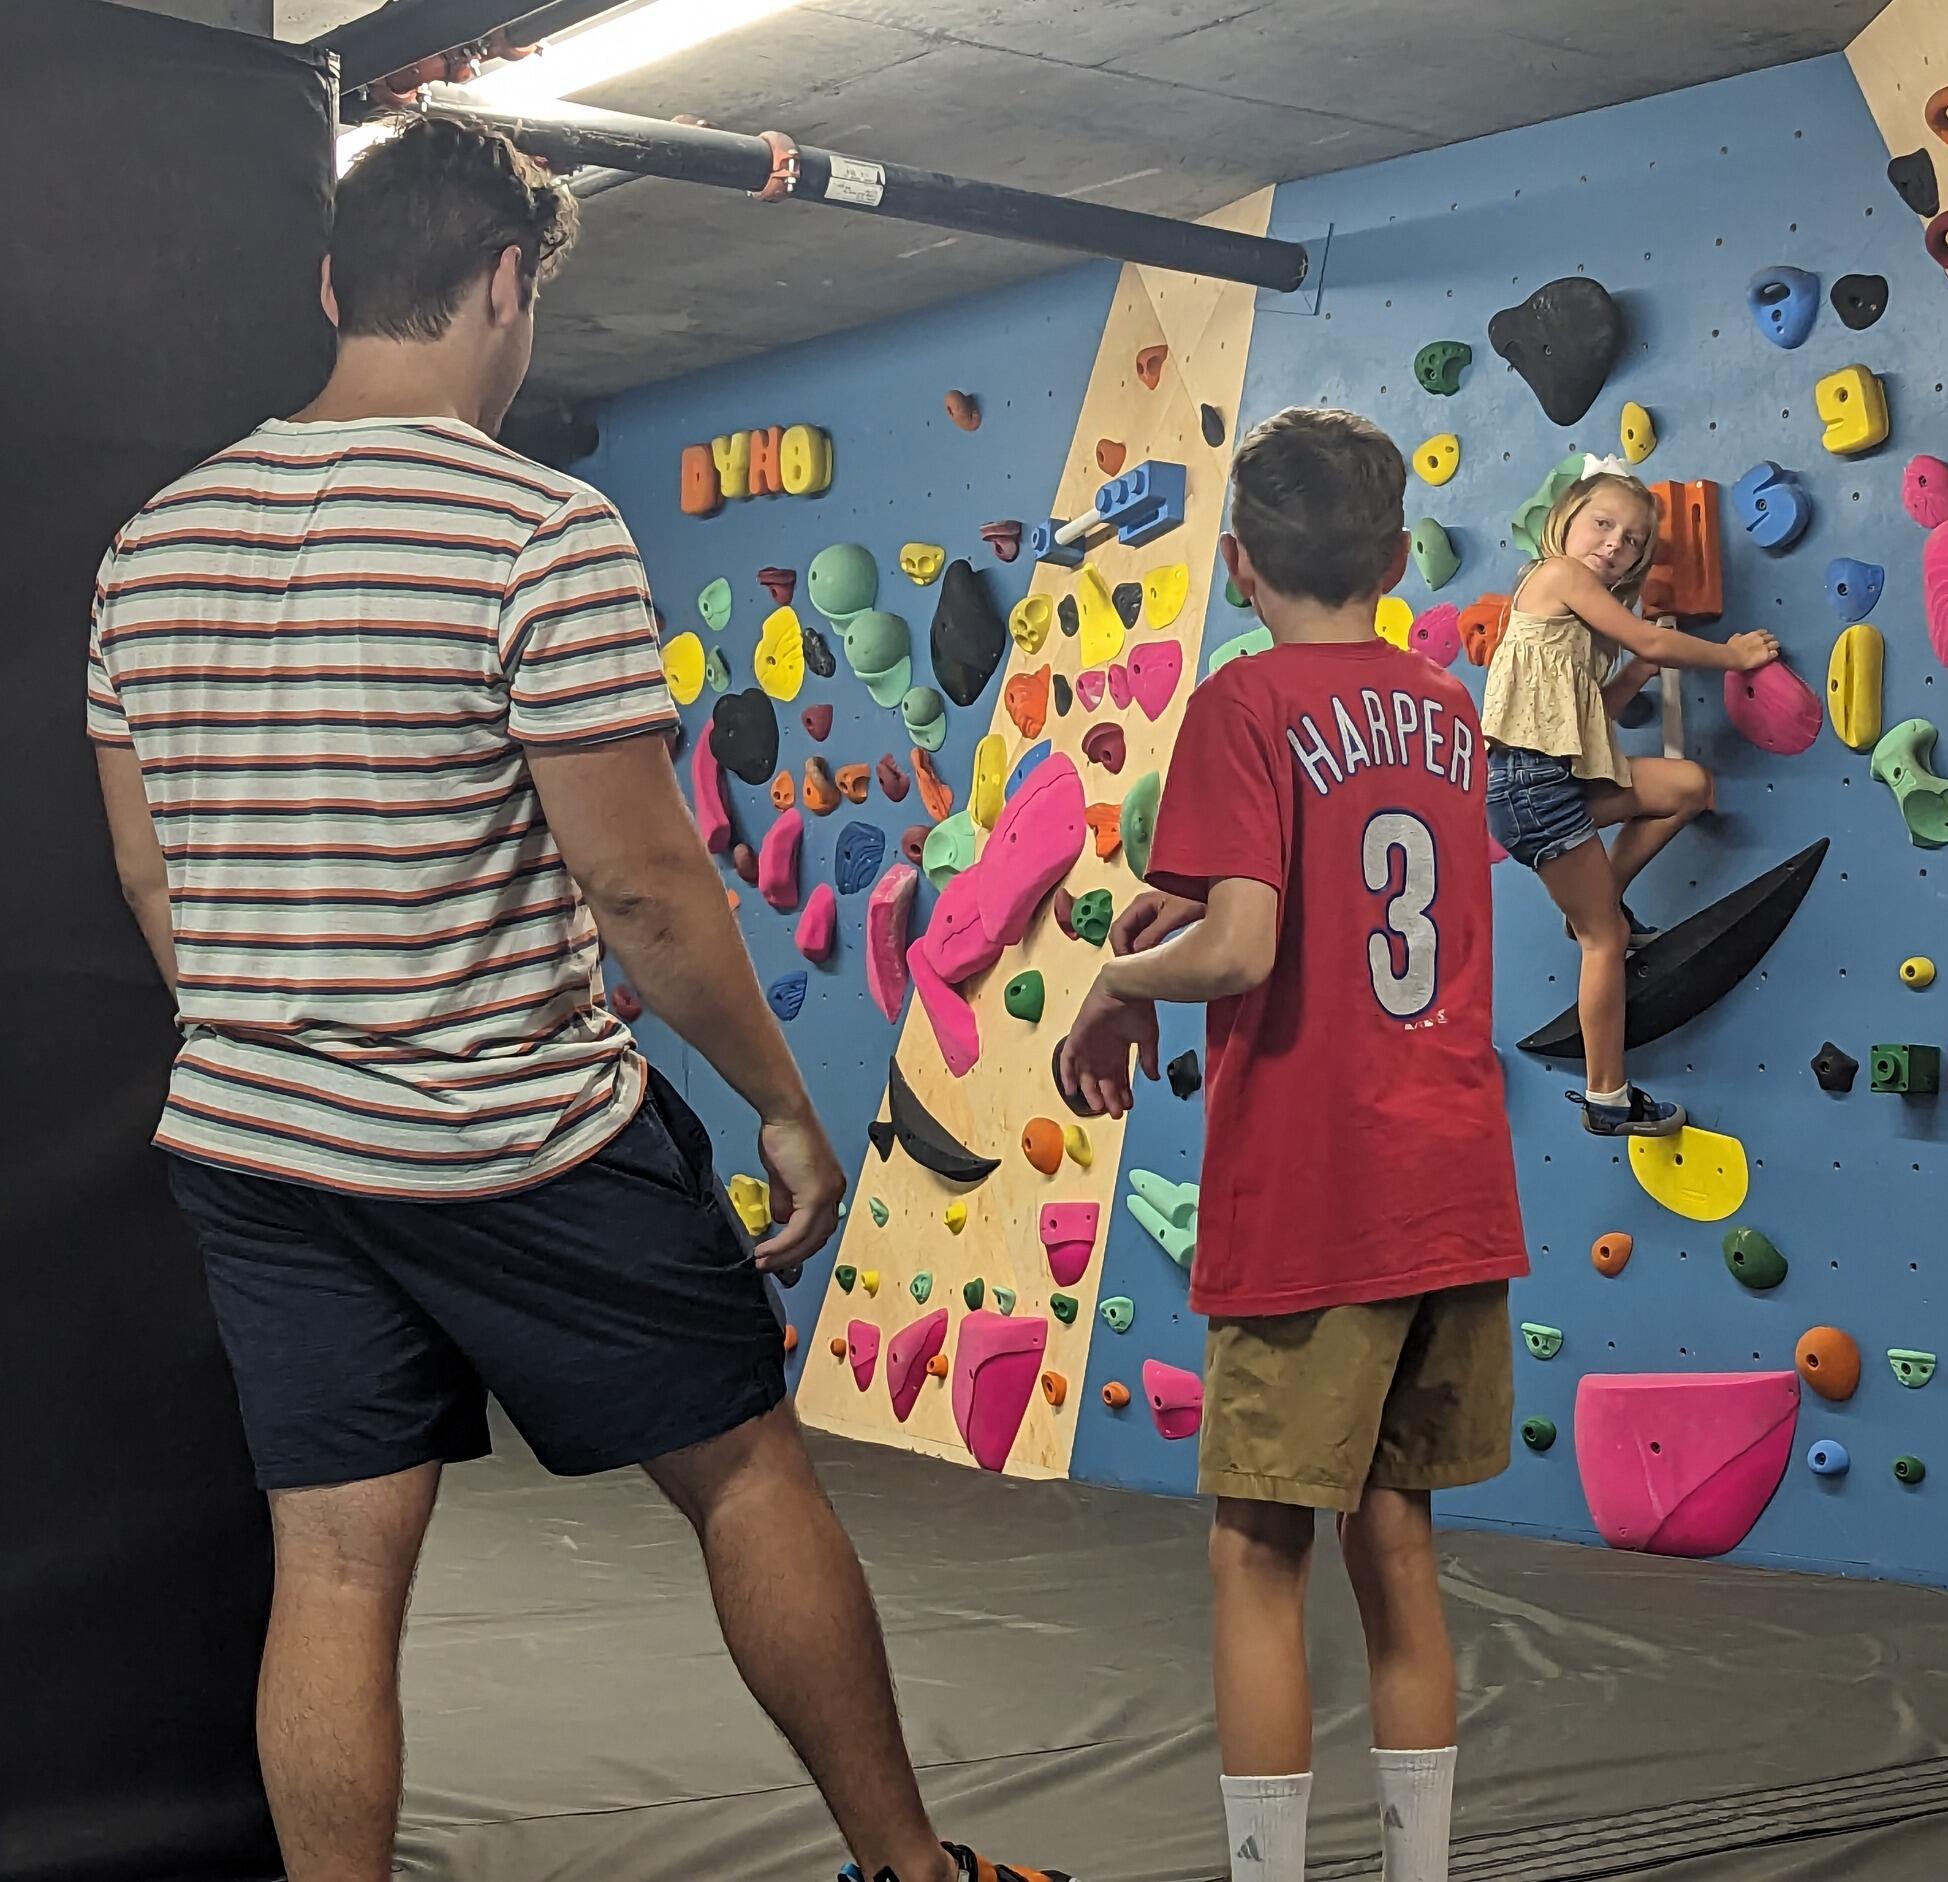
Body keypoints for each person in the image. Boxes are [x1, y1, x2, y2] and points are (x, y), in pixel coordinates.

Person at [84, 117, 1065, 1882]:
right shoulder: (538, 526)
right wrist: (779, 1096)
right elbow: (642, 888)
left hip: (255, 1144)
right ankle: (912, 1871)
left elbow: (158, 882)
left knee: (332, 1562)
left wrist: (281, 1040)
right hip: (511, 1134)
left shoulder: (153, 544)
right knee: (750, 1474)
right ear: (507, 282)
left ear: (333, 287)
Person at [1057, 407, 1529, 1882]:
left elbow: (1250, 946)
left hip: (1319, 1197)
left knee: (1256, 1552)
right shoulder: (1446, 709)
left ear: (1243, 564)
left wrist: (1118, 975)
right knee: (1398, 1540)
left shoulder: (1244, 705)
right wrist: (1181, 920)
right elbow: (1343, 879)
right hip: (1449, 1179)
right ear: (1395, 557)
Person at [1479, 466, 1780, 1136]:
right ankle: (1607, 1097)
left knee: (1687, 788)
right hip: (1530, 789)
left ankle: (1599, 897)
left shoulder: (1587, 628)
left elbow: (1597, 714)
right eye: (1603, 523)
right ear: (1566, 518)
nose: (1615, 543)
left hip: (1556, 782)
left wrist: (1639, 672)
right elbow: (1648, 635)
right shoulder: (1556, 575)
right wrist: (1730, 656)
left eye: (1633, 540)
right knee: (1603, 941)